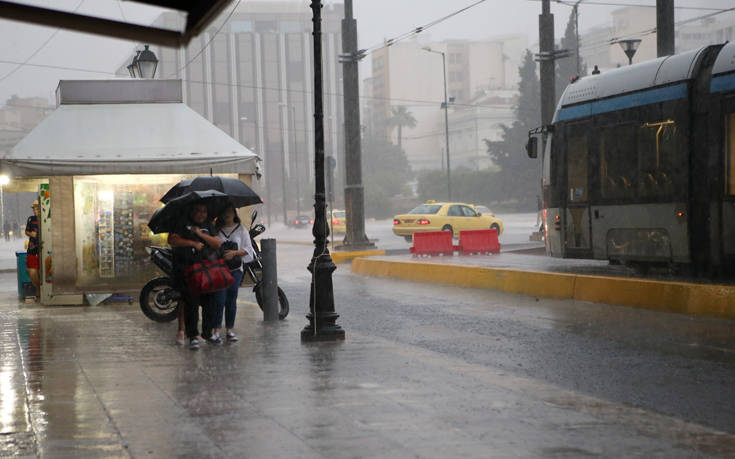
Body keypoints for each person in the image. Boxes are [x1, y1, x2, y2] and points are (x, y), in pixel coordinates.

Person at [167, 202, 222, 349]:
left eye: (204, 211)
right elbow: (172, 239)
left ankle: (207, 333)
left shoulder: (209, 225)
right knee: (191, 304)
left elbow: (217, 243)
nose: (201, 214)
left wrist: (200, 234)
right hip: (188, 270)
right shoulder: (182, 223)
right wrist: (192, 243)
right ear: (192, 211)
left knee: (210, 303)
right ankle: (192, 336)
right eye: (198, 211)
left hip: (208, 271)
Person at [213, 204, 254, 343]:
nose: (227, 214)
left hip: (235, 270)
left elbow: (248, 249)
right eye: (224, 212)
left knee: (231, 300)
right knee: (219, 300)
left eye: (229, 211)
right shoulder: (216, 230)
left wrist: (234, 253)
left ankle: (230, 330)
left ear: (234, 213)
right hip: (219, 270)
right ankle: (217, 331)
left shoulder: (241, 229)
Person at [25, 201, 40, 298]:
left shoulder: (46, 219)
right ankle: (38, 287)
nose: (34, 210)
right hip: (32, 249)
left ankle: (42, 289)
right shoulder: (31, 219)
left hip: (43, 249)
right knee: (31, 271)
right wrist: (31, 234)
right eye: (33, 209)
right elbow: (26, 231)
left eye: (36, 208)